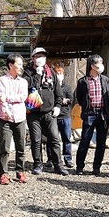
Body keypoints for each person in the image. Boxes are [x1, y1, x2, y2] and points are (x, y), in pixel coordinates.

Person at [24, 47, 67, 175]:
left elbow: (58, 93)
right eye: (37, 56)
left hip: (49, 112)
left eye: (42, 56)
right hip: (33, 113)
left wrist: (58, 106)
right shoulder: (27, 73)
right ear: (32, 58)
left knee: (54, 138)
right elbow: (27, 87)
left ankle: (58, 165)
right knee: (36, 140)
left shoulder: (51, 73)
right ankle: (38, 164)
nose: (40, 59)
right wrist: (36, 75)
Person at [0, 54, 30, 185]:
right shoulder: (2, 80)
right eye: (19, 64)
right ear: (11, 65)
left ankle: (20, 170)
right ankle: (3, 173)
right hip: (5, 118)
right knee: (4, 147)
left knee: (21, 146)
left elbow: (23, 97)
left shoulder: (23, 81)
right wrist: (10, 99)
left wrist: (9, 98)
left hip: (20, 118)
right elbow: (1, 98)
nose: (21, 67)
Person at [74, 53, 109, 176]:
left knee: (101, 142)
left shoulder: (105, 79)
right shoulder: (83, 81)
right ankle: (79, 166)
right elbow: (79, 98)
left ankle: (97, 167)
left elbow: (107, 96)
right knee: (85, 140)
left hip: (103, 114)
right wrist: (86, 108)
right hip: (89, 113)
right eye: (98, 63)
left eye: (101, 62)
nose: (101, 65)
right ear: (92, 65)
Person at [54, 62, 75, 170]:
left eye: (60, 73)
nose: (59, 75)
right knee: (52, 139)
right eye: (57, 73)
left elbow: (70, 100)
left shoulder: (67, 87)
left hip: (65, 116)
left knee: (67, 138)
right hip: (54, 116)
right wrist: (62, 100)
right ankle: (51, 159)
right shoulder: (51, 87)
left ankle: (68, 159)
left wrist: (61, 101)